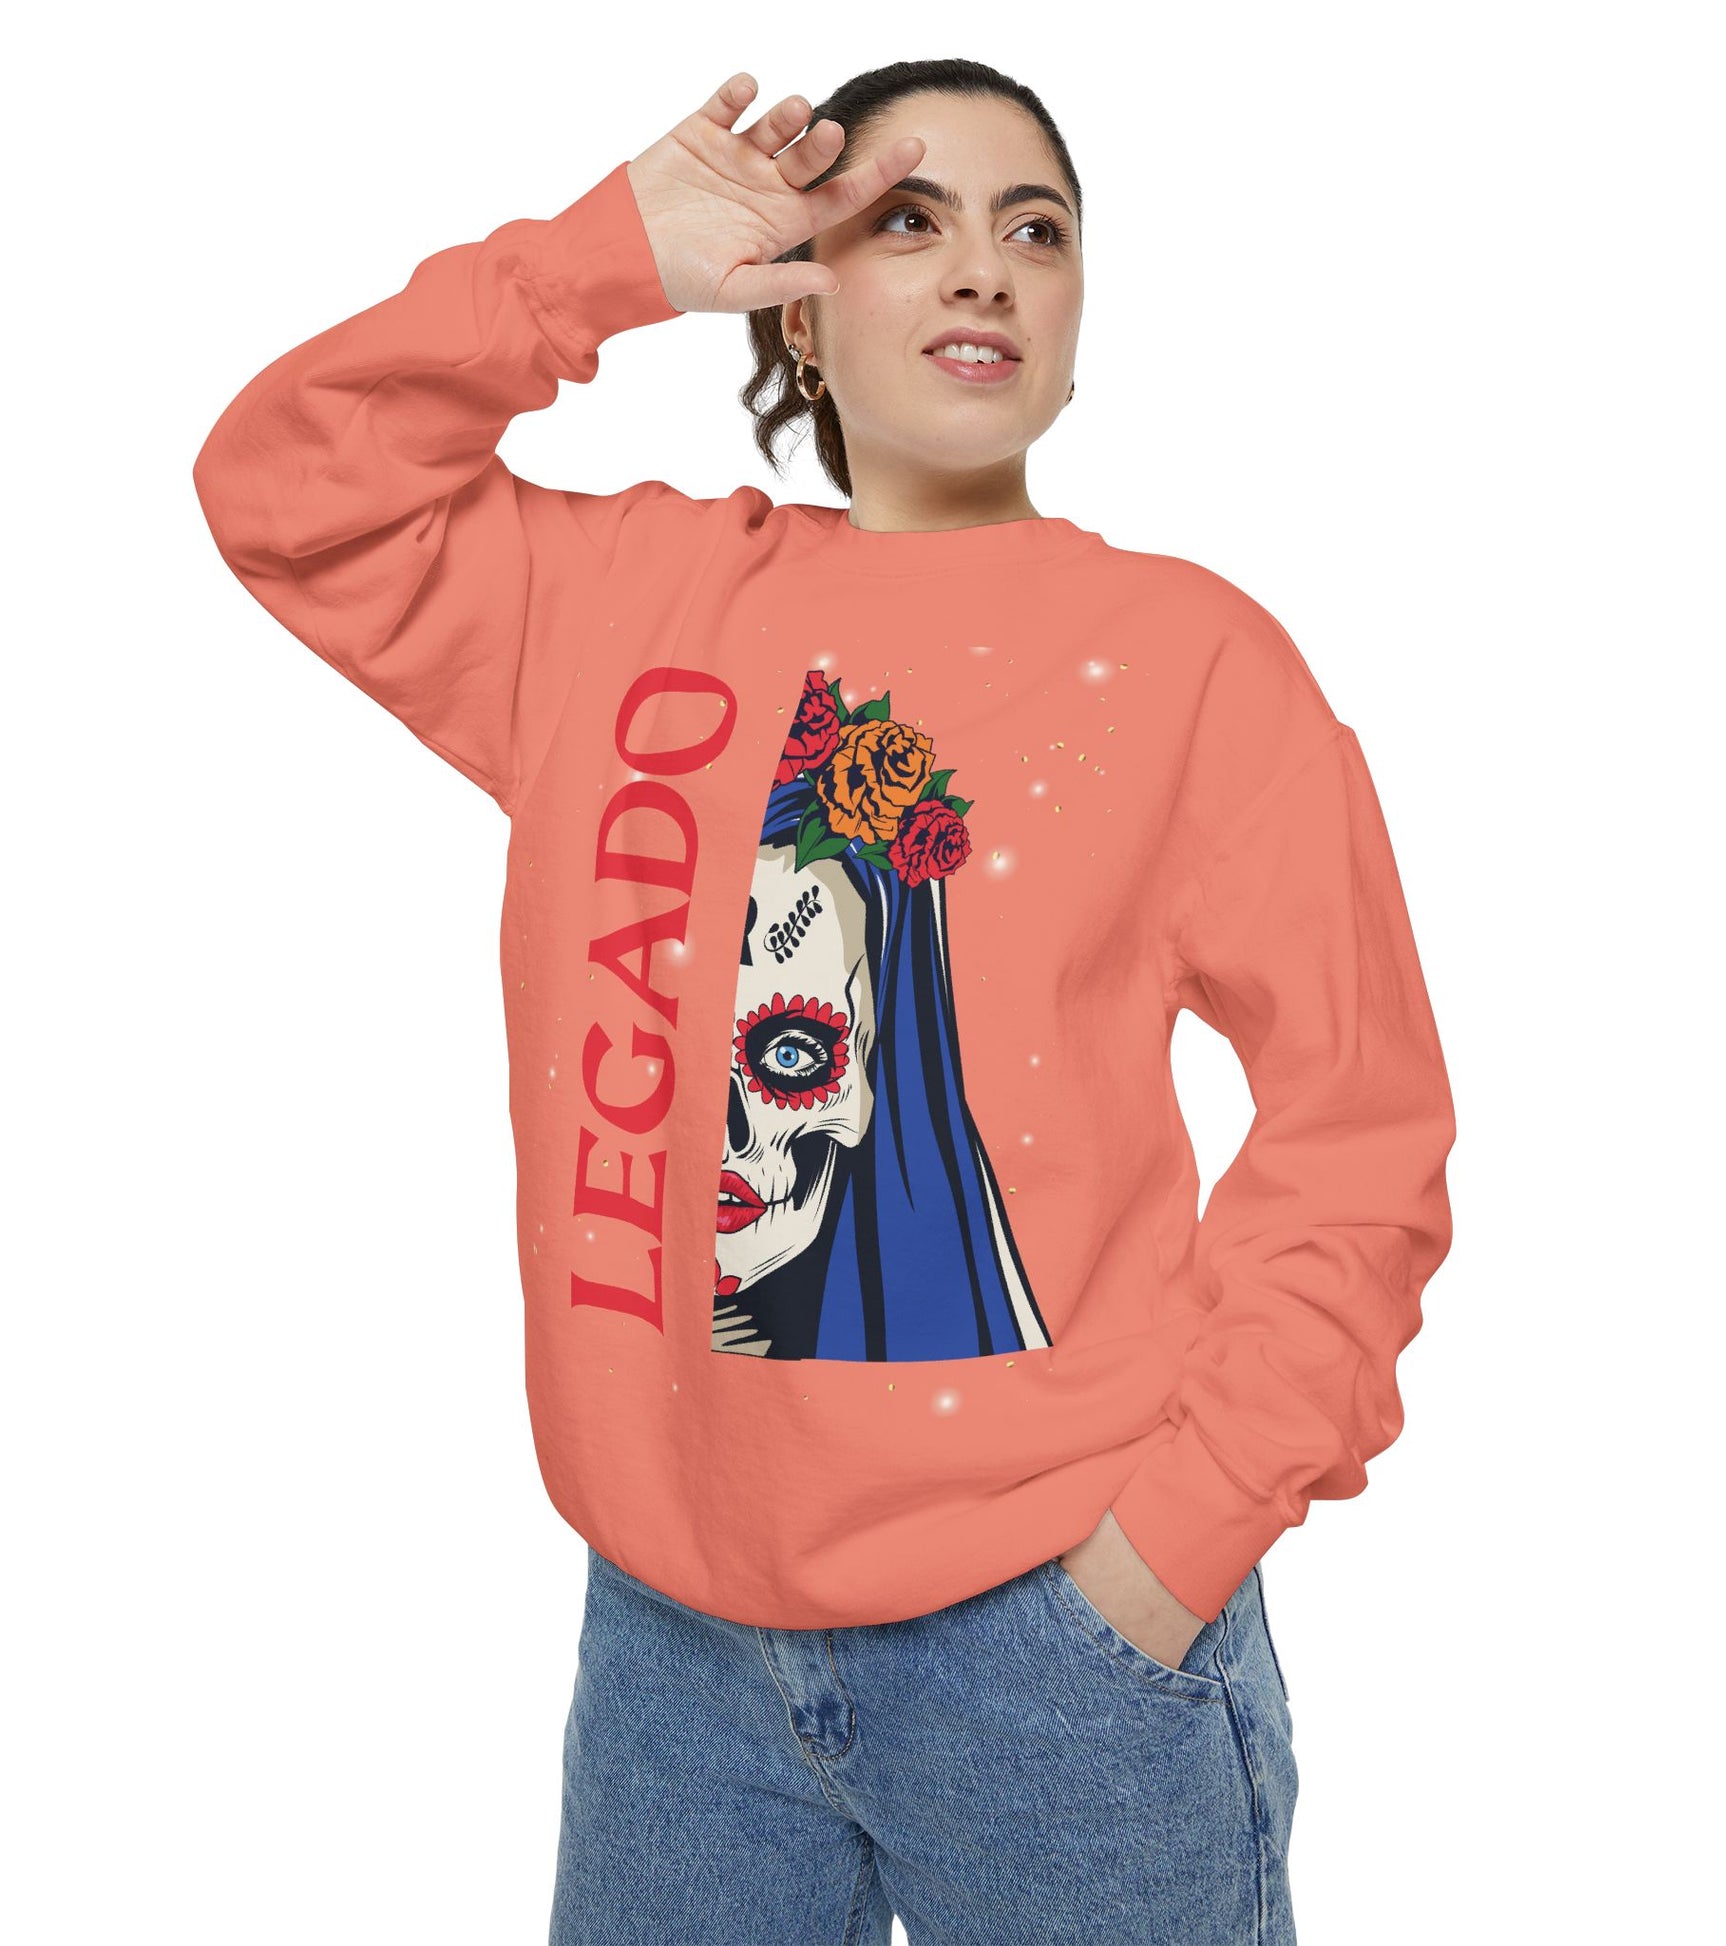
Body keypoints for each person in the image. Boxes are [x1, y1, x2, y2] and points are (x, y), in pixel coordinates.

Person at [192, 58, 1456, 1946]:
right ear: (795, 299)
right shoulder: (615, 603)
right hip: (671, 1653)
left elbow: (1359, 1128)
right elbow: (286, 490)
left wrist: (1170, 1548)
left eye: (1036, 230)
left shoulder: (1194, 660)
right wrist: (598, 261)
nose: (983, 270)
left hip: (1057, 1645)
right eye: (906, 221)